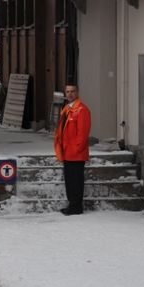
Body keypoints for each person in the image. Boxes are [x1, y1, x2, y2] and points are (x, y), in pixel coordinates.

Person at [54, 84, 91, 215]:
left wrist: (76, 149)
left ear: (77, 92)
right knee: (69, 181)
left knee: (75, 182)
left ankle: (76, 207)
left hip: (76, 153)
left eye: (72, 91)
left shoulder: (82, 110)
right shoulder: (68, 109)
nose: (69, 94)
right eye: (68, 91)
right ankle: (72, 205)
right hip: (67, 152)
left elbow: (83, 133)